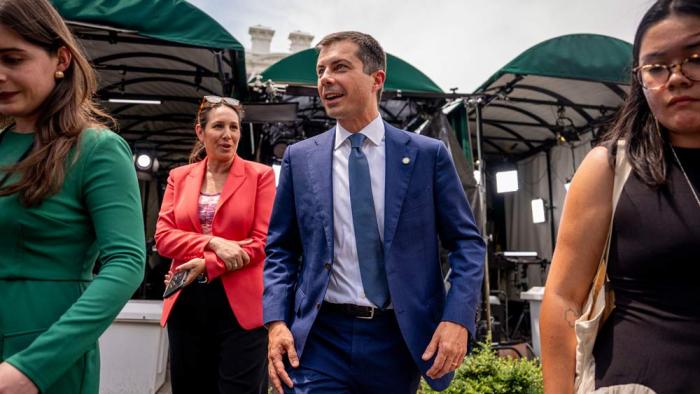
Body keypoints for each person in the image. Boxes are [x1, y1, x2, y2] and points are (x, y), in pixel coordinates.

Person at [263, 31, 485, 394]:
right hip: (320, 339)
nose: (325, 79)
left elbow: (468, 244)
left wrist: (457, 319)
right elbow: (281, 248)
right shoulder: (300, 159)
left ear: (376, 79)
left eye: (340, 67)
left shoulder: (427, 156)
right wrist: (275, 321)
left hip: (397, 339)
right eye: (320, 71)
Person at [540, 1, 700, 392]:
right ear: (640, 80)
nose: (676, 78)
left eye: (694, 58)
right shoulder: (611, 167)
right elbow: (561, 296)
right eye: (656, 67)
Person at [0, 0, 146, 392]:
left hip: (43, 356)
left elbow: (127, 262)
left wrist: (33, 369)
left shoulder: (97, 148)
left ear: (61, 59)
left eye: (13, 58)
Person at [155, 96, 275, 393]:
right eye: (219, 126)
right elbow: (163, 238)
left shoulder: (261, 176)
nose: (228, 134)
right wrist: (214, 242)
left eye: (234, 127)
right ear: (200, 132)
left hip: (242, 306)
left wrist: (207, 263)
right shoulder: (178, 177)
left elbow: (263, 242)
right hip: (187, 302)